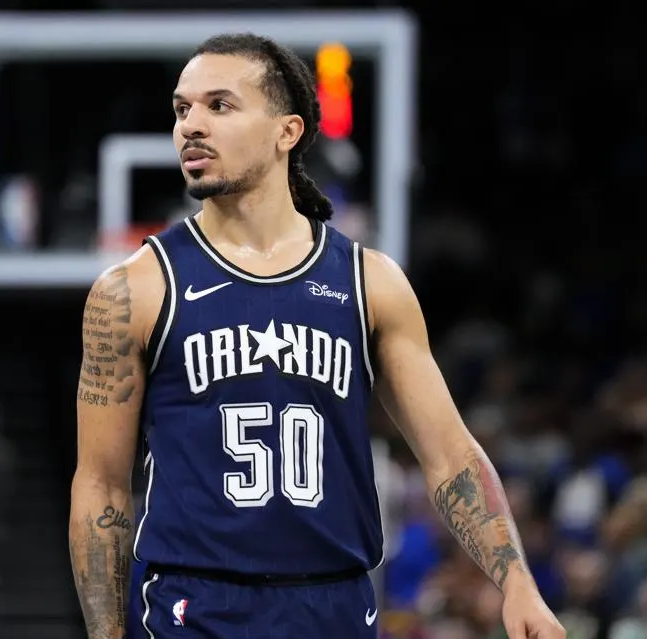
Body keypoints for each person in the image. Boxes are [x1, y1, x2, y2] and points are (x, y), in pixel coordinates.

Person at [70, 32, 565, 639]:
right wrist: (105, 633)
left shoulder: (369, 282)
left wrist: (517, 583)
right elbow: (101, 484)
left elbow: (448, 454)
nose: (191, 126)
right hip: (194, 606)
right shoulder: (134, 289)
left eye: (219, 105)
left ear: (288, 131)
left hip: (335, 605)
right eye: (182, 109)